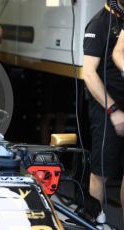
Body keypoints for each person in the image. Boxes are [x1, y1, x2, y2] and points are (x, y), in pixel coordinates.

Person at [83, 0, 124, 223]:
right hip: (106, 109)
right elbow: (88, 74)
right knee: (101, 172)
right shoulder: (98, 24)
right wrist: (114, 110)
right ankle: (93, 223)